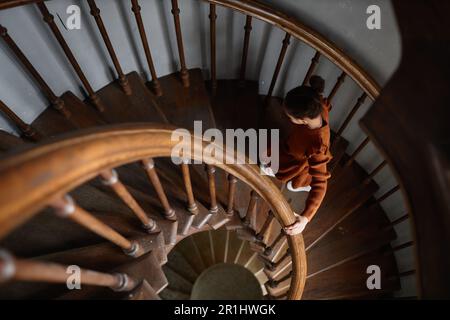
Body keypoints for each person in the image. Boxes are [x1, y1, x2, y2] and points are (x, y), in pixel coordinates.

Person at [262, 75, 332, 236]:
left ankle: (299, 182)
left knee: (269, 156)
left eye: (290, 117)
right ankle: (298, 182)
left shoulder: (317, 147)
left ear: (302, 120)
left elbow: (321, 183)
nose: (287, 118)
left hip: (297, 159)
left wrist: (306, 218)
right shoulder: (318, 105)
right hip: (292, 147)